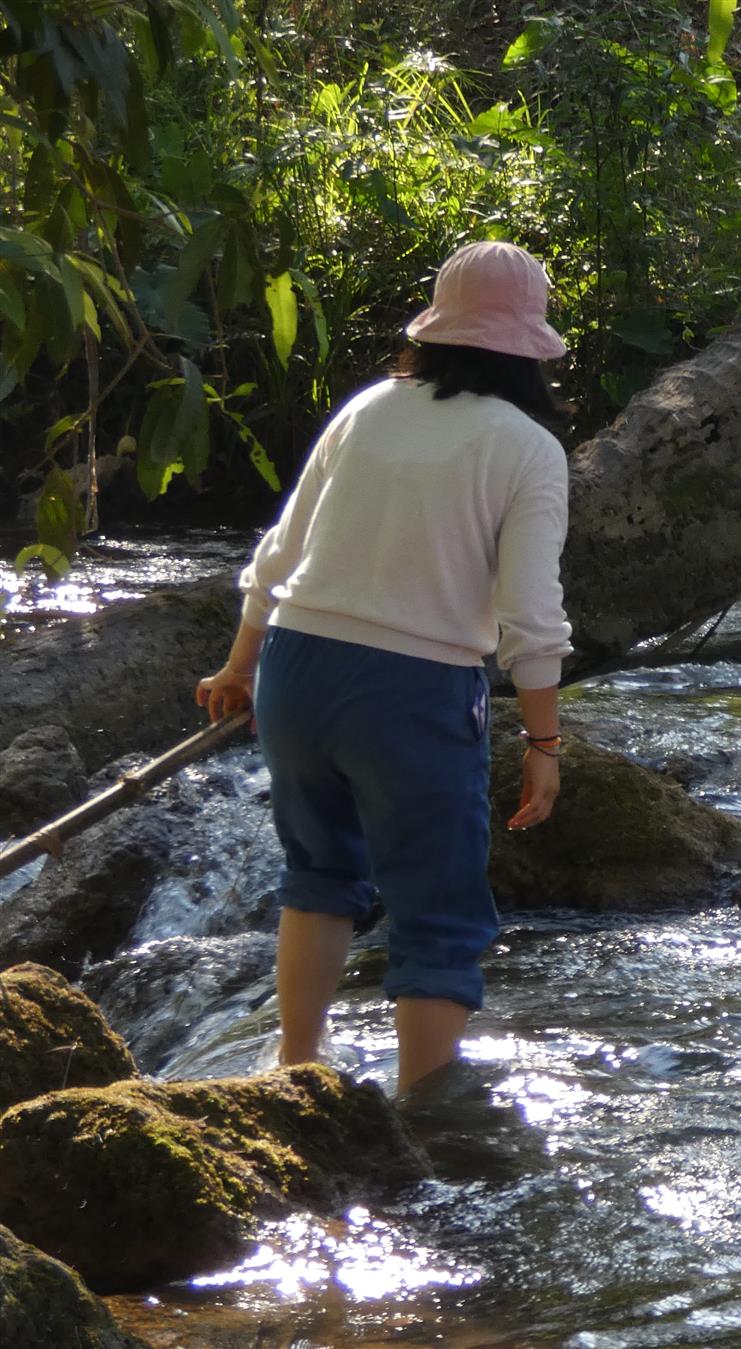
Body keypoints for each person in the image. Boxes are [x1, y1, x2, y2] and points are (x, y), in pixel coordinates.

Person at [194, 240, 574, 1094]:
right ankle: (421, 1114)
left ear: (436, 330)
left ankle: (296, 1071)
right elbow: (530, 619)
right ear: (529, 348)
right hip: (412, 687)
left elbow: (280, 551)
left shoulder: (368, 407)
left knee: (318, 873)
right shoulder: (528, 448)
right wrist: (545, 744)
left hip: (297, 663)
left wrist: (240, 664)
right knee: (436, 910)